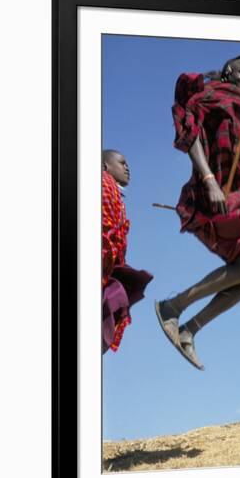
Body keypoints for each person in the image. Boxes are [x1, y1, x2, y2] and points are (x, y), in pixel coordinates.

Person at [155, 52, 240, 370]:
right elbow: (190, 135)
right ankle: (173, 307)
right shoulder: (211, 98)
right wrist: (209, 177)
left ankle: (187, 327)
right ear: (227, 73)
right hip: (213, 193)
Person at [102, 149, 153, 354]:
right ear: (105, 166)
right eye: (122, 163)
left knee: (116, 302)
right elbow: (104, 229)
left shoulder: (114, 192)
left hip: (108, 266)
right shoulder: (103, 184)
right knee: (115, 302)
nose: (127, 168)